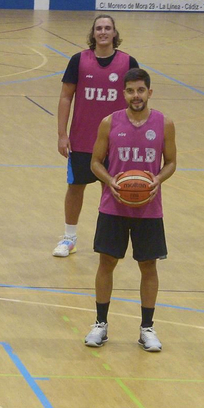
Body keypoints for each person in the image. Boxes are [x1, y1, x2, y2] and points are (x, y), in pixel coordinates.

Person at [85, 68, 176, 353]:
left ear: (150, 92)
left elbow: (171, 162)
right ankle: (101, 324)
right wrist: (110, 180)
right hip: (113, 206)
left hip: (149, 208)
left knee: (148, 266)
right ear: (123, 93)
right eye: (130, 91)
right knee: (106, 263)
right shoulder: (109, 123)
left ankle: (147, 328)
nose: (136, 96)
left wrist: (157, 179)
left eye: (140, 90)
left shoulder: (164, 123)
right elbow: (95, 162)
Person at [54, 14, 140, 257]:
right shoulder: (78, 60)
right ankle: (69, 237)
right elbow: (65, 97)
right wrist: (62, 134)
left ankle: (109, 237)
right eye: (99, 28)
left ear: (114, 33)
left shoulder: (128, 62)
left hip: (117, 141)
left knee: (112, 188)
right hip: (82, 139)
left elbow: (137, 98)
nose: (103, 32)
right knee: (75, 186)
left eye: (108, 28)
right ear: (93, 34)